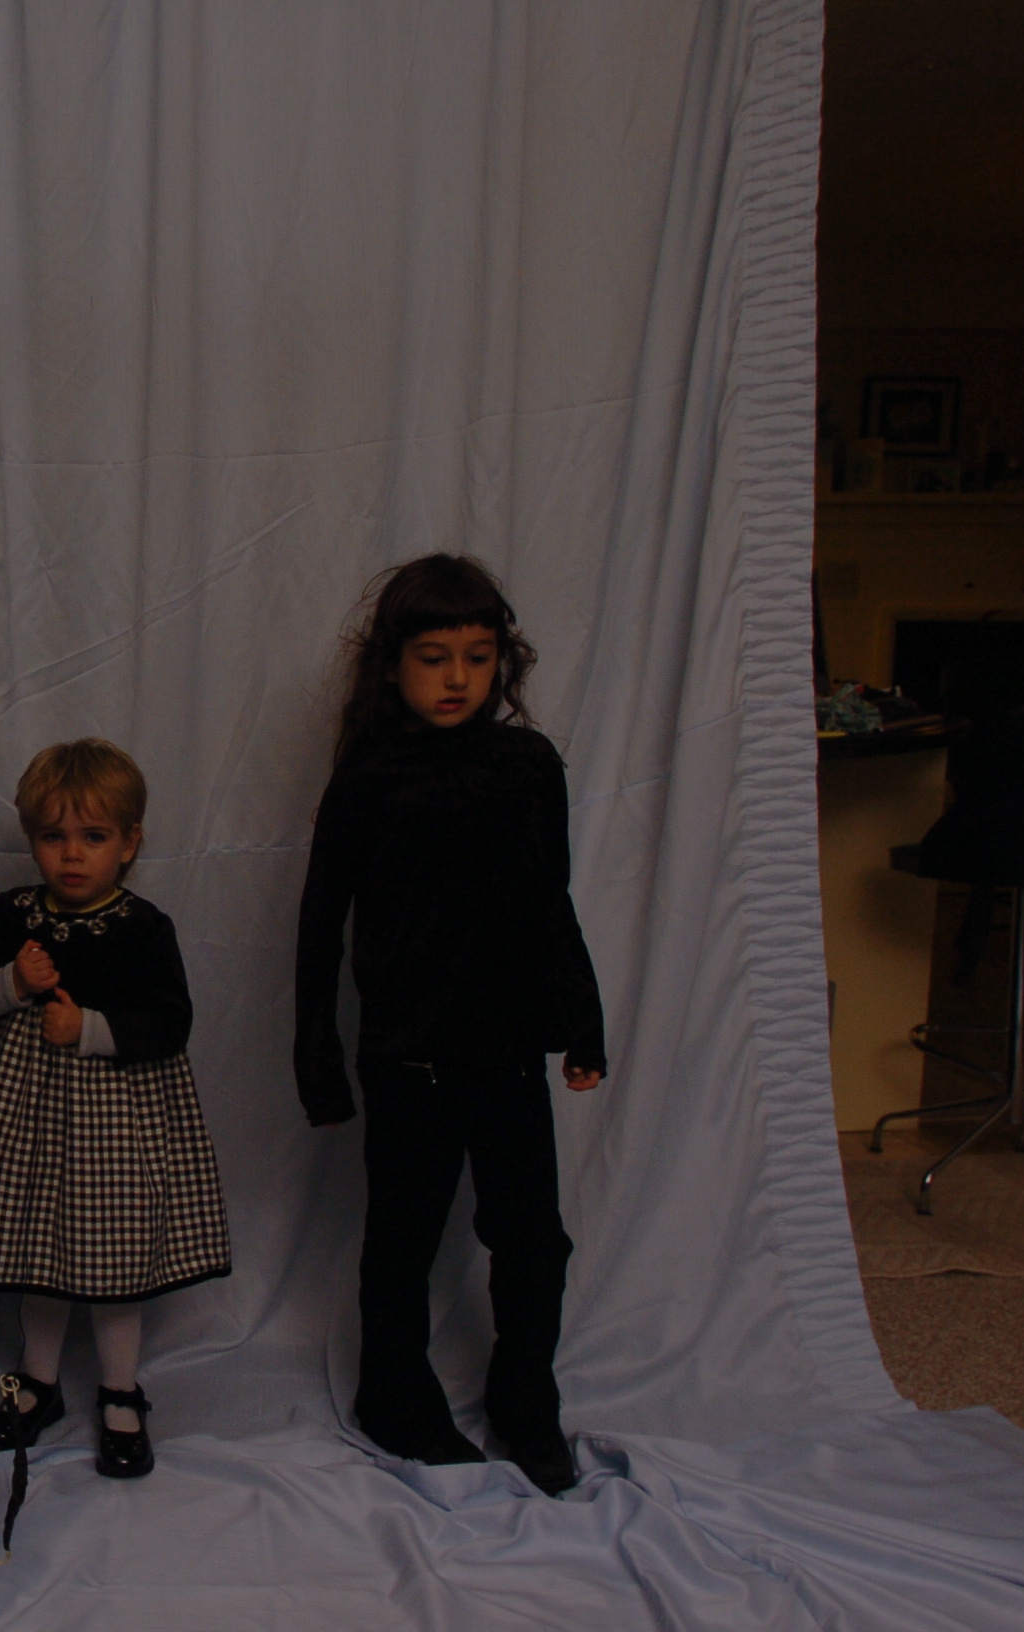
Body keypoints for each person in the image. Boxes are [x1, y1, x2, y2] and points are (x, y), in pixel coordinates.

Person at [292, 553, 607, 1498]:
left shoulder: (529, 767)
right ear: (393, 664)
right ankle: (395, 1396)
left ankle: (526, 1399)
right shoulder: (368, 779)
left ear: (502, 659)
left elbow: (551, 903)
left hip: (508, 1057)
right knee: (403, 1241)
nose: (458, 678)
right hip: (409, 1063)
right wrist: (318, 1059)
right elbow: (320, 924)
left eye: (477, 656)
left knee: (534, 1242)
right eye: (435, 658)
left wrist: (583, 1023)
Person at [0, 740, 231, 1479]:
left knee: (115, 1261)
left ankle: (121, 1392)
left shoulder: (143, 926)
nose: (71, 854)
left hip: (116, 1126)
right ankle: (38, 1383)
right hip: (25, 1124)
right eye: (53, 836)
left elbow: (171, 1022)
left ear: (129, 842)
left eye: (93, 836)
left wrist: (87, 1028)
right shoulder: (14, 913)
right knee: (39, 1257)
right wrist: (13, 982)